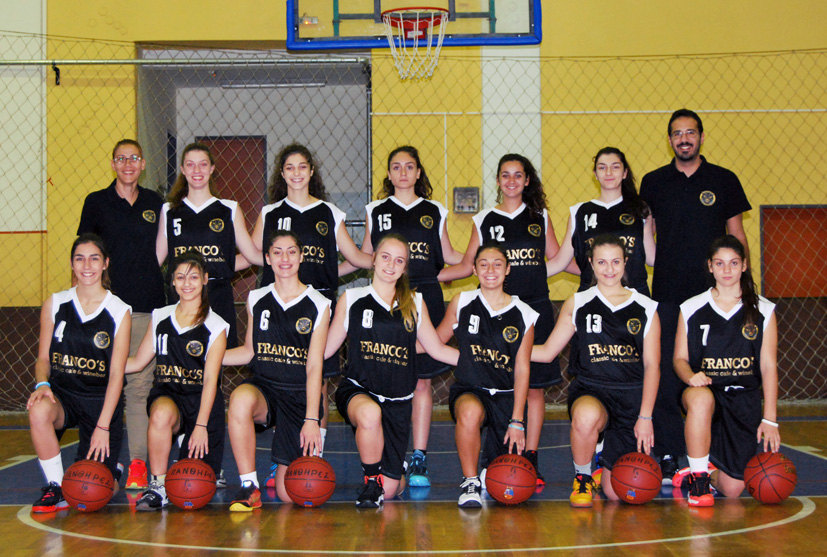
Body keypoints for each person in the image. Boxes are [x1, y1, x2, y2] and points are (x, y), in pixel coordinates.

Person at [340, 146, 464, 487]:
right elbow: (366, 256)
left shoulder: (434, 210)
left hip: (422, 297)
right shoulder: (376, 210)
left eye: (410, 166)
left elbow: (450, 255)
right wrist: (323, 274)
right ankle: (381, 451)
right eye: (396, 167)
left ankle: (419, 455)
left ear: (418, 172)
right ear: (389, 173)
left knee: (421, 379)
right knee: (384, 374)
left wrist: (483, 261)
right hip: (385, 297)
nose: (403, 172)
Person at [640, 109, 752, 482]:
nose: (684, 138)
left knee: (717, 370)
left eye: (690, 132)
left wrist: (744, 286)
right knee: (669, 374)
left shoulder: (724, 179)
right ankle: (670, 452)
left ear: (701, 137)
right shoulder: (653, 182)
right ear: (669, 139)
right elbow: (647, 235)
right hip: (668, 293)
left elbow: (737, 235)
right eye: (677, 133)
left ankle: (715, 450)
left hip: (716, 298)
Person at [250, 144, 370, 484]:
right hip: (279, 309)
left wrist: (392, 262)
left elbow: (355, 257)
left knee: (319, 383)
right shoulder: (270, 212)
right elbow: (253, 255)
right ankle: (282, 456)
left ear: (312, 171)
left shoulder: (329, 212)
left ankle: (313, 453)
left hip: (317, 309)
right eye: (290, 167)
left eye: (302, 166)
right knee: (282, 383)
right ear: (282, 173)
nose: (297, 173)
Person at [441, 153, 563, 490]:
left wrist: (599, 274)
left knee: (534, 387)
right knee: (497, 380)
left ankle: (531, 456)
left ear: (527, 180)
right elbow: (467, 264)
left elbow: (557, 259)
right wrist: (426, 278)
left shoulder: (540, 216)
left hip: (532, 307)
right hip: (494, 311)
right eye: (505, 175)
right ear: (497, 180)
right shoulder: (484, 219)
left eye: (518, 175)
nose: (511, 181)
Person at [326, 234, 459, 508]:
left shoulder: (415, 302)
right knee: (369, 413)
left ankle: (392, 474)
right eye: (385, 257)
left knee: (392, 490)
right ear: (374, 259)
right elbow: (326, 350)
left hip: (397, 403)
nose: (391, 265)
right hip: (358, 390)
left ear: (405, 268)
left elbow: (436, 349)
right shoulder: (352, 299)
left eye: (399, 261)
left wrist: (479, 361)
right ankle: (370, 482)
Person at [531, 234, 660, 508]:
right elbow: (548, 351)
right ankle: (583, 477)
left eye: (616, 262)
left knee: (618, 492)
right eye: (601, 262)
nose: (609, 269)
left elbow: (652, 366)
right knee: (586, 416)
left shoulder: (646, 307)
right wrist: (509, 349)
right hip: (592, 389)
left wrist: (646, 416)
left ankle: (604, 455)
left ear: (626, 262)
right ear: (590, 263)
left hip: (631, 398)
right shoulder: (578, 302)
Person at [77, 139, 165, 490]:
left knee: (139, 386)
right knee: (102, 383)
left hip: (145, 305)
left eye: (134, 158)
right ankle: (104, 461)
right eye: (121, 158)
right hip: (107, 310)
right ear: (113, 164)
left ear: (142, 164)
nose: (128, 163)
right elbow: (85, 254)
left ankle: (138, 464)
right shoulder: (96, 202)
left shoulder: (155, 203)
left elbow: (163, 250)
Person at [223, 230, 331, 510]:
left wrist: (312, 419)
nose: (285, 258)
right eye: (278, 252)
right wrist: (210, 358)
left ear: (301, 257)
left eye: (292, 251)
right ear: (268, 259)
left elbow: (314, 366)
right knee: (239, 399)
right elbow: (249, 351)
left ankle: (295, 458)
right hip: (266, 390)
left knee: (289, 492)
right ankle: (249, 486)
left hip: (297, 396)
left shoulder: (319, 304)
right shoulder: (256, 298)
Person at [672, 235, 779, 507]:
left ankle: (704, 472)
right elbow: (679, 359)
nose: (727, 270)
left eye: (733, 263)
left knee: (732, 489)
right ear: (710, 266)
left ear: (744, 265)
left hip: (744, 399)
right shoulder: (692, 307)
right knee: (700, 398)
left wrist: (770, 419)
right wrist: (690, 376)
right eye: (719, 263)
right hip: (707, 392)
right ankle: (699, 480)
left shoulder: (763, 310)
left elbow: (768, 366)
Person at [27, 234, 131, 513]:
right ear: (72, 264)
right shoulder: (56, 303)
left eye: (94, 258)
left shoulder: (119, 311)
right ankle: (55, 487)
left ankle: (114, 471)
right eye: (80, 259)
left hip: (100, 402)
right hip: (64, 396)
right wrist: (42, 384)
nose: (87, 265)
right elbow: (43, 358)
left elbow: (116, 374)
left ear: (105, 263)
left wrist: (103, 427)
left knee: (95, 489)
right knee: (38, 408)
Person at [127, 250, 229, 511]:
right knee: (160, 413)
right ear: (172, 281)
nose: (186, 283)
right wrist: (106, 365)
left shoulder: (216, 325)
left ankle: (203, 460)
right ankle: (158, 485)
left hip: (201, 404)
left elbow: (211, 381)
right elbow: (138, 362)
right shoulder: (160, 316)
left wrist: (201, 425)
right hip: (169, 396)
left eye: (193, 277)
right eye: (180, 277)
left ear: (205, 279)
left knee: (193, 485)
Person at [436, 243, 535, 508]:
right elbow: (435, 341)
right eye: (483, 264)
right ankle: (470, 481)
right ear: (474, 269)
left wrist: (517, 420)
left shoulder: (524, 313)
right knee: (469, 412)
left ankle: (486, 471)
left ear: (508, 269)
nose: (490, 269)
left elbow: (522, 368)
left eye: (497, 264)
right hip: (471, 389)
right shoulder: (462, 302)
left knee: (504, 481)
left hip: (506, 396)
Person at [156, 142, 262, 349]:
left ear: (212, 168)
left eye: (203, 164)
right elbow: (156, 260)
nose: (197, 170)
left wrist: (285, 261)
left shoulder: (229, 209)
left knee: (219, 357)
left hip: (218, 295)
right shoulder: (169, 210)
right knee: (180, 357)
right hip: (182, 294)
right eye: (190, 164)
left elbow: (251, 256)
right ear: (183, 169)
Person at [546, 146, 655, 295]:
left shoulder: (640, 209)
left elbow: (652, 258)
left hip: (634, 295)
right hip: (592, 296)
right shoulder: (579, 212)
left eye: (615, 167)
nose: (608, 172)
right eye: (602, 167)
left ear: (625, 173)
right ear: (595, 174)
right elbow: (560, 262)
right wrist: (520, 275)